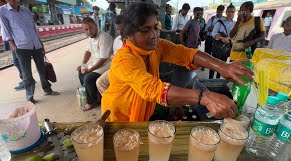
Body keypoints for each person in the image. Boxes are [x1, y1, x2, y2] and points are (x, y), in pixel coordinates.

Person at [101, 3, 253, 122]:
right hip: (119, 120)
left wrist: (222, 66)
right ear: (129, 34)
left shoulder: (156, 46)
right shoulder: (124, 59)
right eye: (145, 30)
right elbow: (154, 89)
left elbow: (187, 54)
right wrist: (204, 97)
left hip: (142, 114)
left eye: (155, 27)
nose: (153, 35)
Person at [0, 0, 59, 103]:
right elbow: (6, 31)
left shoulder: (26, 10)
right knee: (27, 74)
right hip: (21, 47)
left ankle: (47, 89)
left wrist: (40, 43)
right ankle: (30, 97)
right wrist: (15, 48)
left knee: (42, 69)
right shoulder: (2, 11)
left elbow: (33, 29)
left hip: (36, 45)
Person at [77, 17, 113, 111]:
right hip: (97, 63)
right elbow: (88, 52)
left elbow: (103, 59)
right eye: (86, 29)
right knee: (81, 72)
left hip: (107, 64)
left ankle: (93, 102)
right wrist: (83, 64)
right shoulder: (90, 38)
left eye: (91, 28)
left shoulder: (104, 37)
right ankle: (89, 93)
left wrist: (90, 70)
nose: (89, 31)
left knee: (88, 77)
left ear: (96, 26)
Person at [96, 15, 126, 95]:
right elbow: (113, 57)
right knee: (100, 82)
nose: (120, 32)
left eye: (122, 29)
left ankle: (115, 101)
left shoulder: (134, 39)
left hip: (128, 70)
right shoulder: (117, 40)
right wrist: (113, 57)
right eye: (118, 29)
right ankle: (109, 101)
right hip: (117, 68)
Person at [209, 3, 236, 79]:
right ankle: (210, 79)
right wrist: (221, 38)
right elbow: (214, 33)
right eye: (229, 11)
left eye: (232, 12)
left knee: (222, 66)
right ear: (226, 12)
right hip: (217, 48)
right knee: (213, 65)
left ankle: (217, 80)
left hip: (226, 49)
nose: (230, 13)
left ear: (234, 13)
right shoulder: (219, 23)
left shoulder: (235, 24)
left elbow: (235, 36)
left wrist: (229, 39)